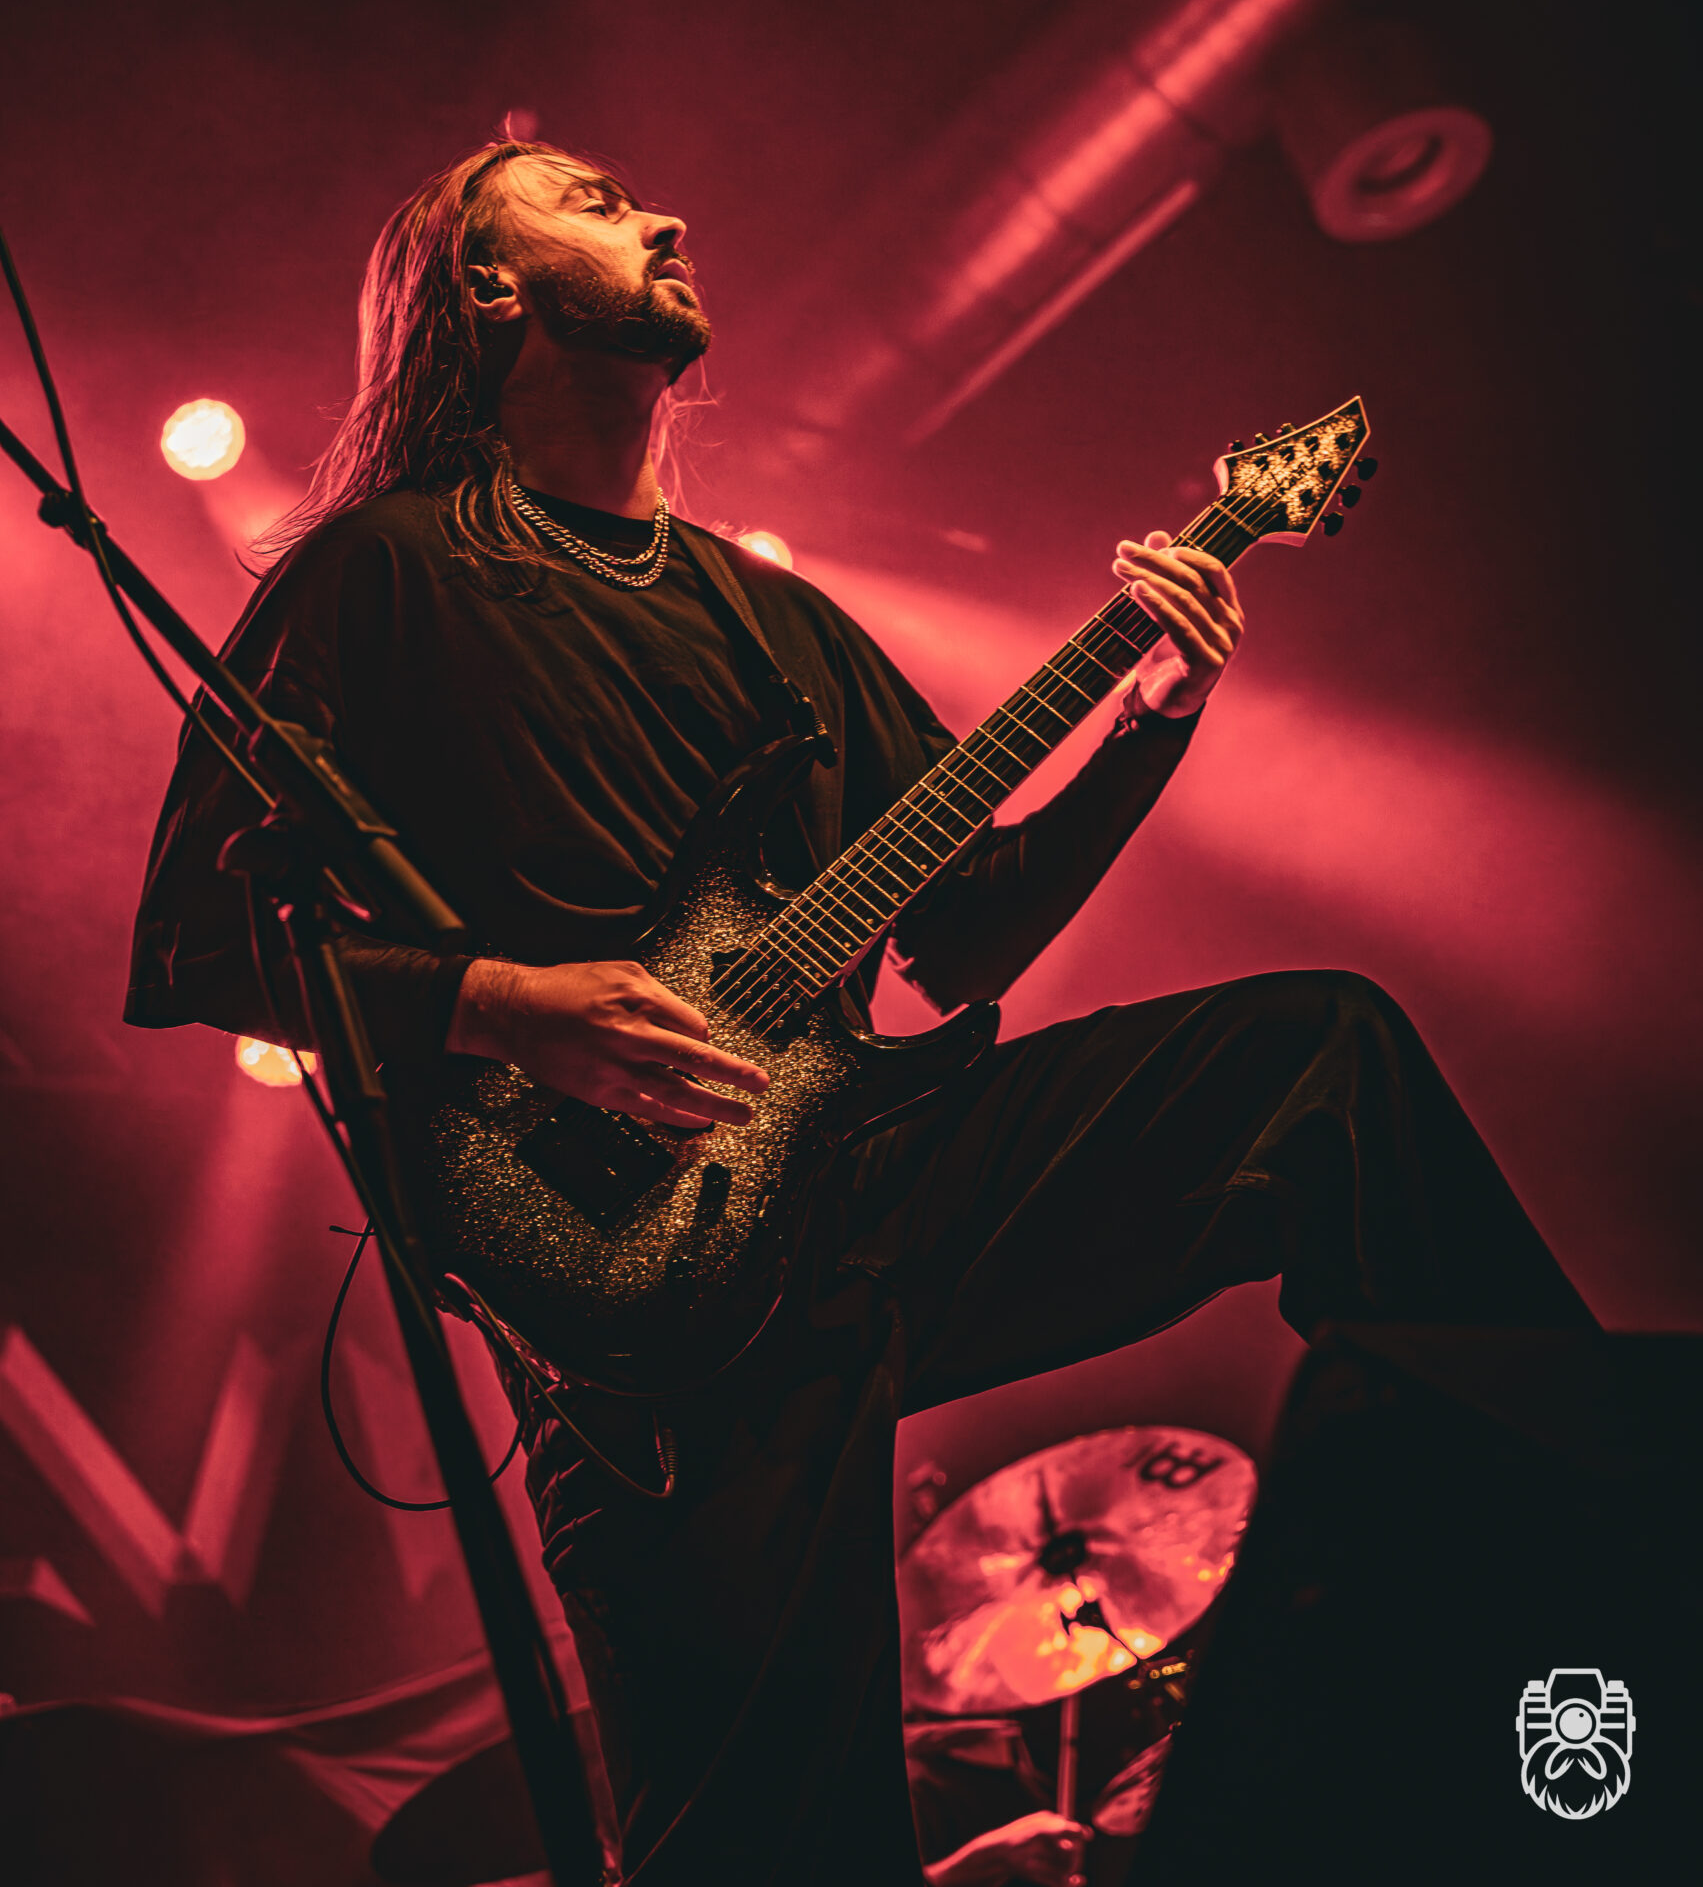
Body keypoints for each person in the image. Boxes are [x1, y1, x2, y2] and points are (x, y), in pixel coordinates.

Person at [126, 140, 1596, 1885]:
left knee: (1319, 1065)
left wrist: (1151, 719)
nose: (664, 212)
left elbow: (964, 942)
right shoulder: (382, 575)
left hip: (876, 1184)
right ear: (488, 283)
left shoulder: (775, 622)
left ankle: (1591, 1536)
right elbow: (197, 936)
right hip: (642, 1321)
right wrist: (504, 1007)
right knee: (770, 1853)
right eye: (587, 199)